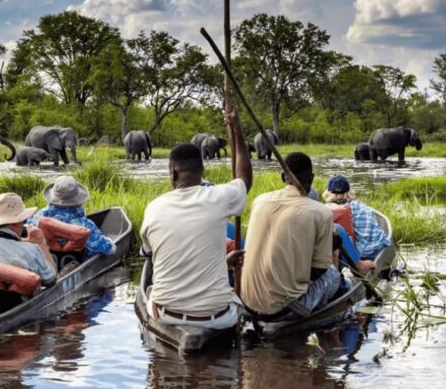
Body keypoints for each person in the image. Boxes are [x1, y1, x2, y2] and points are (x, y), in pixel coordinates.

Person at [140, 107, 253, 330]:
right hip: (219, 318)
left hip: (167, 316)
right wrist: (236, 127)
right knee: (240, 309)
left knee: (149, 292)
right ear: (202, 171)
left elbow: (150, 254)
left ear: (172, 173)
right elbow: (244, 179)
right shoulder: (219, 196)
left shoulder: (153, 208)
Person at [241, 152, 343, 318]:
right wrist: (331, 246)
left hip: (248, 303)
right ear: (310, 178)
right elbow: (318, 271)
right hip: (284, 309)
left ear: (283, 176)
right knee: (333, 274)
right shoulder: (321, 213)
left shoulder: (259, 201)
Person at [26, 176, 113, 259]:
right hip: (73, 260)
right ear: (77, 199)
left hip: (44, 257)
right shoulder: (83, 225)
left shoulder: (38, 216)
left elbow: (27, 227)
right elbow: (108, 248)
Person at [323, 175, 392, 259]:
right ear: (348, 193)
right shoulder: (360, 205)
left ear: (329, 193)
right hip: (379, 246)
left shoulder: (336, 209)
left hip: (360, 253)